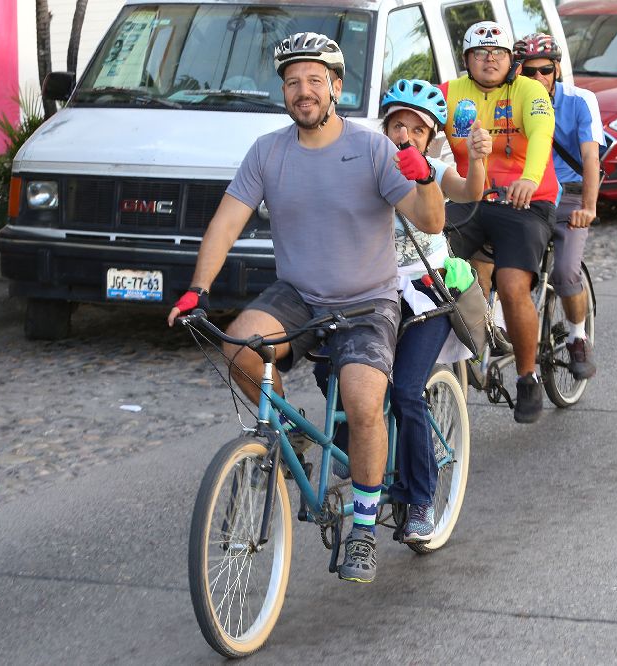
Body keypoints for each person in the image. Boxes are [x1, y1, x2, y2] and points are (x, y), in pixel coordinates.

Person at [166, 32, 444, 584]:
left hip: (367, 302)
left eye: (315, 80)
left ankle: (363, 527)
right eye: (293, 82)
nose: (303, 90)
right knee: (239, 348)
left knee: (363, 401)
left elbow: (431, 219)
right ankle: (288, 433)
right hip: (297, 295)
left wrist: (426, 178)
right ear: (284, 93)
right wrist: (197, 289)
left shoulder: (372, 148)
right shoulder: (267, 152)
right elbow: (226, 223)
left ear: (336, 87)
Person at [315, 79, 491, 543]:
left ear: (430, 138)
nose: (405, 136)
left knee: (408, 390)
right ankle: (357, 442)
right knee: (329, 366)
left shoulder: (432, 168)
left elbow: (470, 192)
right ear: (385, 128)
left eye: (417, 129)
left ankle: (421, 498)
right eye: (397, 126)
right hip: (371, 292)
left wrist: (477, 157)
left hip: (425, 293)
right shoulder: (366, 166)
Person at [440, 20, 559, 424]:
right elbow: (415, 125)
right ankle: (459, 342)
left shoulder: (530, 91)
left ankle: (528, 377)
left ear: (511, 61)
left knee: (511, 285)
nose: (489, 60)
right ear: (466, 59)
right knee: (427, 260)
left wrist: (530, 178)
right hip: (471, 197)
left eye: (498, 54)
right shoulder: (451, 93)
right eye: (480, 53)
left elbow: (541, 135)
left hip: (525, 202)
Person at [514, 32, 603, 380]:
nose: (538, 78)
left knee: (566, 271)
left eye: (545, 70)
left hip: (570, 195)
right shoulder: (512, 101)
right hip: (530, 194)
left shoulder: (581, 100)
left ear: (557, 69)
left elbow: (590, 156)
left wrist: (589, 207)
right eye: (529, 71)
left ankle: (578, 337)